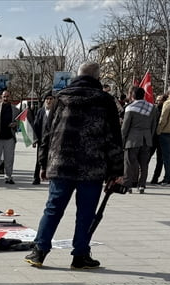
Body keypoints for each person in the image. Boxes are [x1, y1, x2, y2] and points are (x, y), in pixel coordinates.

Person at [23, 62, 123, 270]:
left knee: (53, 209)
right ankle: (80, 255)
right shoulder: (105, 100)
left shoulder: (61, 98)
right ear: (97, 78)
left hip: (61, 164)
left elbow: (48, 133)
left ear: (77, 76)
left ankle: (39, 251)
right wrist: (116, 171)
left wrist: (43, 163)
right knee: (86, 213)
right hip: (92, 166)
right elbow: (113, 138)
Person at [121, 86, 153, 193]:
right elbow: (153, 125)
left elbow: (125, 128)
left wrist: (122, 141)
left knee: (129, 163)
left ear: (132, 95)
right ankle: (142, 185)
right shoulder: (151, 108)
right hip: (146, 138)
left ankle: (128, 185)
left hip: (132, 139)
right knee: (144, 164)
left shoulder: (130, 108)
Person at [151, 86, 170, 186]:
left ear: (169, 93)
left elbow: (163, 119)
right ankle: (167, 178)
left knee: (166, 158)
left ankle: (168, 179)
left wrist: (158, 131)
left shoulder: (169, 102)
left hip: (166, 133)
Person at [30, 92, 55, 185]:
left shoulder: (56, 111)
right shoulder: (41, 111)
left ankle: (51, 178)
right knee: (39, 159)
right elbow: (36, 125)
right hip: (42, 140)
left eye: (50, 99)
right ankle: (36, 178)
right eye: (47, 99)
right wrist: (34, 139)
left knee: (52, 160)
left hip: (53, 141)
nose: (49, 101)